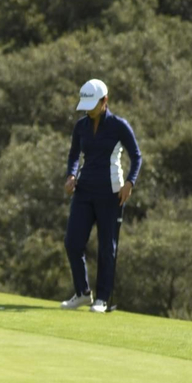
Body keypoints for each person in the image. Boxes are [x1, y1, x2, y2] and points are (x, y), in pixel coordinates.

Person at [61, 78, 143, 314]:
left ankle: (102, 299)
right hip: (84, 191)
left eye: (92, 105)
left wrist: (130, 183)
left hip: (111, 193)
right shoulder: (81, 126)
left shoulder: (119, 126)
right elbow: (74, 155)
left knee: (107, 248)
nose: (88, 110)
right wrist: (71, 175)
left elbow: (136, 156)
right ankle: (83, 293)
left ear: (104, 100)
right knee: (72, 243)